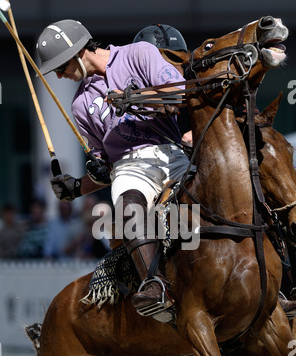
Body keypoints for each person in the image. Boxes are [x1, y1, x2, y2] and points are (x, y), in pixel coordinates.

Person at [36, 19, 191, 322]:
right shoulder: (80, 104)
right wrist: (77, 187)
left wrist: (133, 98)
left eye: (61, 65)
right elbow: (105, 169)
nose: (59, 74)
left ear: (80, 51)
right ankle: (155, 286)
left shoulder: (139, 54)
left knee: (219, 190)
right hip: (130, 166)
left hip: (171, 151)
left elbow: (179, 95)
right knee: (126, 203)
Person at [133, 24, 192, 147]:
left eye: (173, 60)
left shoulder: (196, 89)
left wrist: (199, 132)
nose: (165, 70)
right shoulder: (132, 92)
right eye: (157, 63)